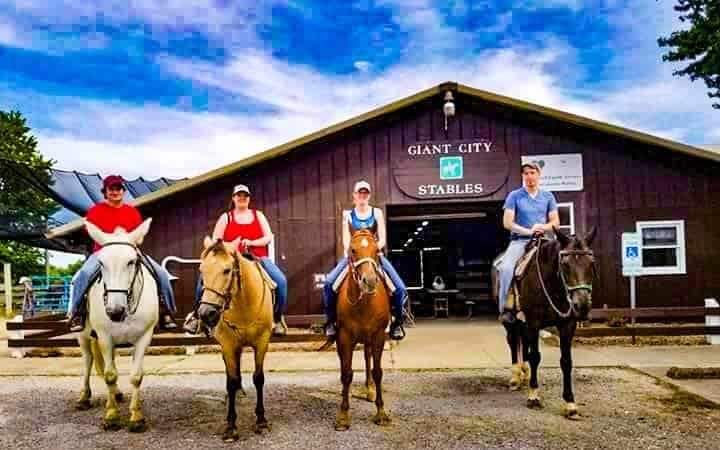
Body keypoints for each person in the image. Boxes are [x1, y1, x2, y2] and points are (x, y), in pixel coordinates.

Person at [67, 175, 177, 332]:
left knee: (161, 273)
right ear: (105, 192)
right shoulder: (95, 211)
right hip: (103, 253)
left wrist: (132, 240)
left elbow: (139, 239)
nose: (115, 192)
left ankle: (167, 311)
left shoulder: (131, 212)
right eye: (111, 189)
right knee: (83, 275)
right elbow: (93, 234)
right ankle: (77, 313)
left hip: (129, 252)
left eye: (118, 188)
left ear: (123, 191)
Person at [183, 184, 288, 336]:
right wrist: (232, 246)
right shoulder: (226, 217)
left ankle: (277, 319)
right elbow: (216, 241)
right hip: (230, 259)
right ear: (233, 198)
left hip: (257, 257)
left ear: (249, 198)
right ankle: (196, 316)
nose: (242, 198)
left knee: (281, 281)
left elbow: (267, 237)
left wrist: (251, 242)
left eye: (245, 195)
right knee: (203, 281)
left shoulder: (258, 215)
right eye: (239, 195)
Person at [323, 180, 407, 340]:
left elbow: (382, 239)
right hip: (355, 257)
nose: (362, 196)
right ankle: (331, 322)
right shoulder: (348, 215)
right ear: (354, 196)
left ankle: (397, 323)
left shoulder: (377, 213)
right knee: (328, 284)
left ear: (368, 195)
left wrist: (373, 250)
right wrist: (356, 252)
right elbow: (346, 241)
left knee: (400, 288)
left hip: (375, 256)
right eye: (359, 193)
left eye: (365, 193)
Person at [498, 162, 560, 325]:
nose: (529, 176)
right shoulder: (514, 196)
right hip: (520, 241)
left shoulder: (548, 196)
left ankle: (568, 304)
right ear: (522, 177)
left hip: (543, 240)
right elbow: (507, 223)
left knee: (565, 264)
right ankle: (507, 308)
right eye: (526, 173)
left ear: (538, 175)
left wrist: (543, 227)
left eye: (532, 173)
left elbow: (555, 222)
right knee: (505, 268)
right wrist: (528, 231)